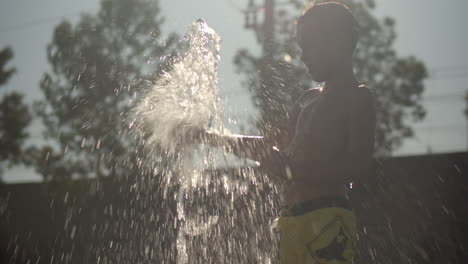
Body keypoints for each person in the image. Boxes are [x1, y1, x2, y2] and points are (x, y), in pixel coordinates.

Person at [189, 2, 376, 263]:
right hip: (291, 221)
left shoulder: (358, 98)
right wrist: (207, 137)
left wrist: (291, 171)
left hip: (328, 218)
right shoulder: (307, 100)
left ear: (340, 41)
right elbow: (267, 146)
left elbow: (356, 167)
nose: (303, 56)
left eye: (310, 45)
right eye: (301, 48)